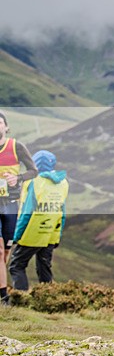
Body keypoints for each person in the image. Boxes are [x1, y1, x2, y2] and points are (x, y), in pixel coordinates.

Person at [8, 150, 68, 291]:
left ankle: (20, 300)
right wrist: (57, 236)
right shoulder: (63, 183)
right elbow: (62, 213)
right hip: (49, 234)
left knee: (16, 266)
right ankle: (48, 299)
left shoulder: (34, 182)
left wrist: (16, 236)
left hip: (32, 233)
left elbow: (26, 214)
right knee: (44, 266)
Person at [0, 111, 38, 304]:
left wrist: (18, 178)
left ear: (6, 127)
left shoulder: (16, 147)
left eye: (0, 123)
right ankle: (3, 297)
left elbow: (34, 171)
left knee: (6, 252)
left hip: (11, 205)